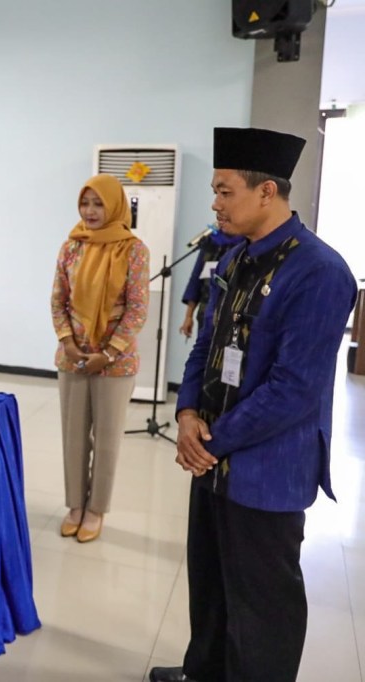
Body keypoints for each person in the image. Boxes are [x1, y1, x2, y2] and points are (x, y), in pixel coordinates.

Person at [149, 128, 357, 682]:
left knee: (263, 603)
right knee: (211, 581)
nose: (215, 204)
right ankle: (204, 672)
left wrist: (210, 442)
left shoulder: (319, 271)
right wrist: (186, 414)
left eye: (225, 192)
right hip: (211, 455)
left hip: (266, 467)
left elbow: (294, 389)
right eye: (215, 192)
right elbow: (206, 345)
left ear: (267, 192)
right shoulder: (233, 257)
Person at [51, 173, 149, 543]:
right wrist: (68, 341)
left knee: (107, 440)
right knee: (74, 437)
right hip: (73, 357)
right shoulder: (71, 246)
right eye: (85, 202)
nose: (90, 211)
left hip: (116, 362)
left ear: (115, 206)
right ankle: (76, 505)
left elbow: (137, 309)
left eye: (98, 204)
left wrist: (108, 353)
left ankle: (96, 510)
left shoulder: (134, 250)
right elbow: (58, 299)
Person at [178, 226, 243, 338]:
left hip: (232, 315)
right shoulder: (210, 242)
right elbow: (196, 280)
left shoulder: (246, 244)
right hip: (206, 313)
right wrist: (188, 316)